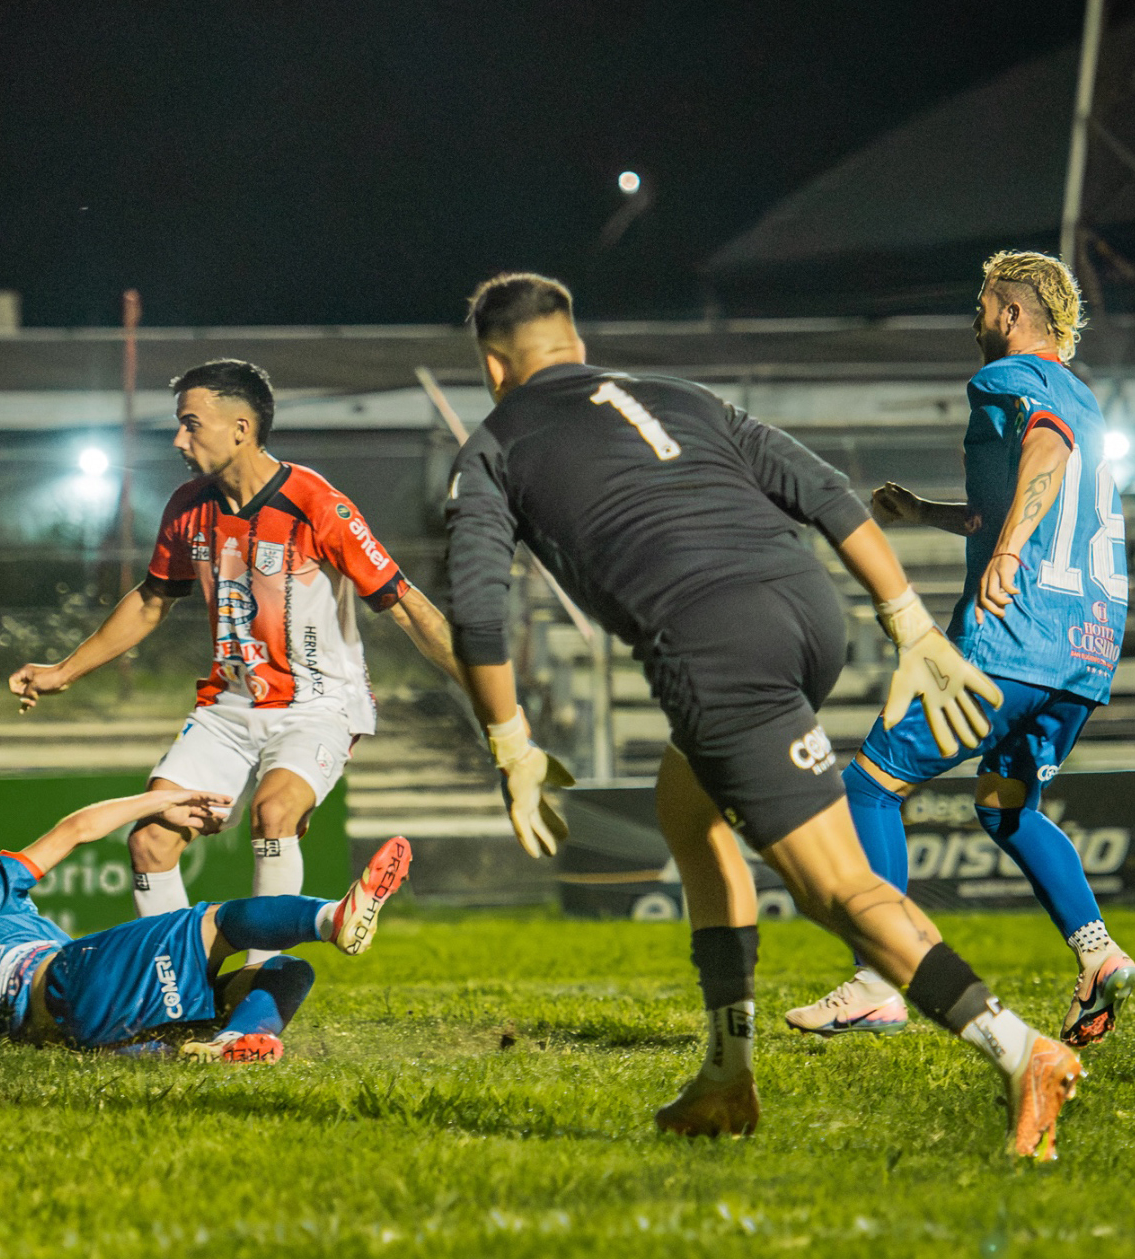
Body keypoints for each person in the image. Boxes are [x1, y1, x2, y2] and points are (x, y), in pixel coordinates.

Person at [443, 270, 1082, 1158]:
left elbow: (475, 609)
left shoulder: (492, 442)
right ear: (573, 341)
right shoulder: (673, 394)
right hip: (807, 611)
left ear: (491, 364)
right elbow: (821, 490)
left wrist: (510, 743)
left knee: (834, 890)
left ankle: (1020, 1051)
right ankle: (724, 1071)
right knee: (686, 804)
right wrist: (909, 625)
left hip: (714, 645)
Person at [787, 251, 1132, 1047]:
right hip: (1082, 653)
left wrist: (1006, 552)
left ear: (1011, 315)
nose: (973, 320)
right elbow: (1027, 487)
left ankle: (879, 979)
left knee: (867, 787)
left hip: (1012, 639)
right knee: (1006, 810)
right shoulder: (1084, 397)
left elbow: (1043, 453)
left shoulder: (1007, 382)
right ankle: (1099, 955)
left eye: (981, 306)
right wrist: (926, 513)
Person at [10, 359, 461, 967]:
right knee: (149, 842)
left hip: (317, 707)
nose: (178, 440)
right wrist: (63, 670)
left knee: (273, 812)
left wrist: (492, 696)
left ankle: (258, 991)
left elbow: (407, 608)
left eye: (191, 425)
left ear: (242, 428)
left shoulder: (316, 503)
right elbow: (150, 601)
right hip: (228, 708)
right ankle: (177, 991)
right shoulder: (187, 507)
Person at [0, 784, 412, 1060]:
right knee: (214, 924)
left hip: (83, 1032)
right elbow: (76, 829)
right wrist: (161, 800)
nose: (13, 888)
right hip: (73, 980)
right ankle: (332, 918)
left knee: (285, 972)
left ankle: (226, 1045)